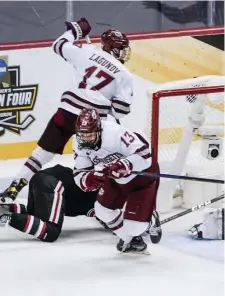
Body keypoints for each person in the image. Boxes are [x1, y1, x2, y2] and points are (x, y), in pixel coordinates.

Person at [0, 17, 133, 203]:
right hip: (94, 123)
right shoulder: (125, 74)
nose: (126, 52)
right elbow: (120, 111)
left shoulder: (86, 53)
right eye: (122, 47)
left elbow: (58, 45)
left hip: (66, 113)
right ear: (114, 49)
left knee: (41, 153)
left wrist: (75, 31)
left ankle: (14, 188)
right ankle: (105, 204)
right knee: (100, 163)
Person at [73, 108, 162, 254]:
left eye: (89, 135)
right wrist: (89, 179)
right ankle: (133, 241)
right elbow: (79, 173)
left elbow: (145, 155)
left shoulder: (115, 133)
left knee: (136, 227)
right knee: (102, 210)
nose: (85, 139)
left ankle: (150, 220)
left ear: (99, 129)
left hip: (142, 174)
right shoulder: (79, 143)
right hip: (115, 176)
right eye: (82, 135)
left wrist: (124, 164)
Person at [0, 164, 102, 242]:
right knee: (50, 231)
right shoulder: (109, 202)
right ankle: (5, 218)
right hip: (53, 183)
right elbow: (110, 218)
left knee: (36, 217)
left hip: (42, 177)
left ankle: (5, 208)